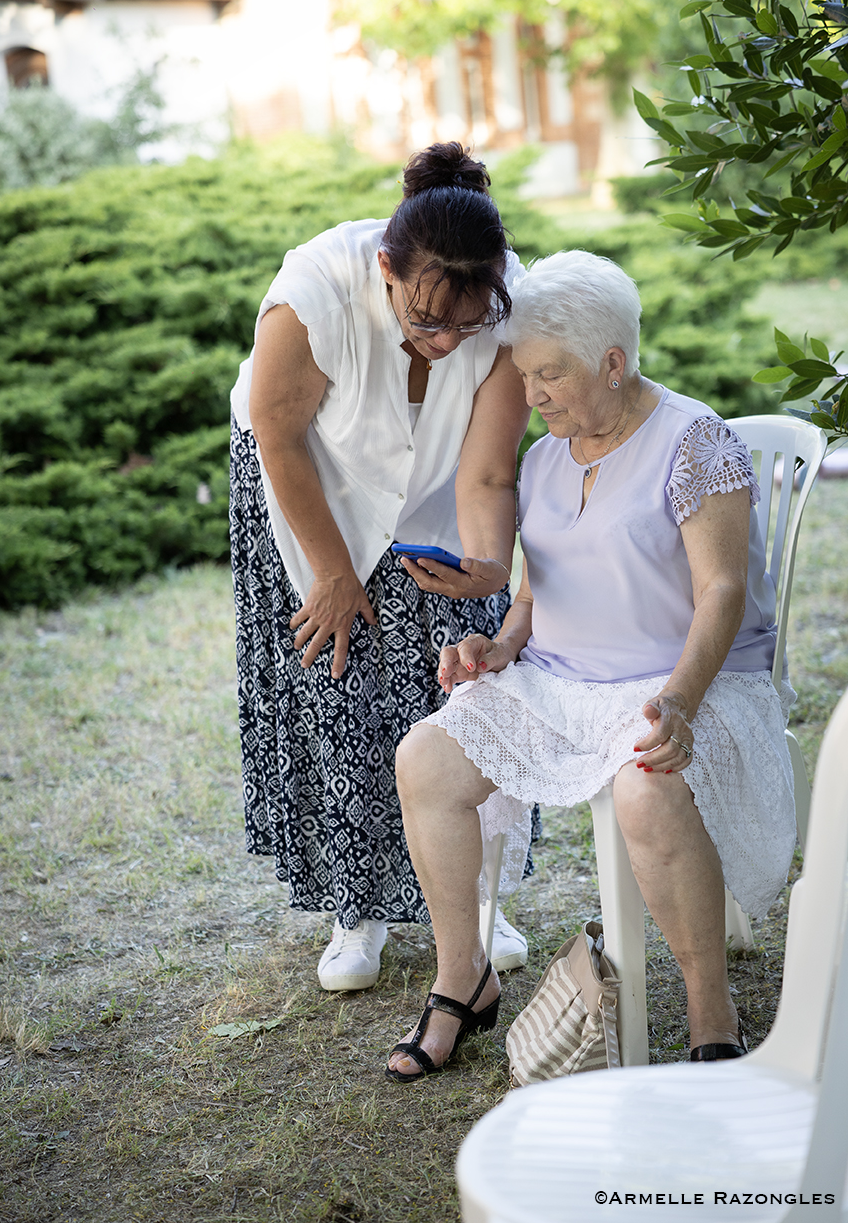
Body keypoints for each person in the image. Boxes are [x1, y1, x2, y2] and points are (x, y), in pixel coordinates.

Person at [386, 249, 797, 1080]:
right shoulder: (544, 460)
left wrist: (679, 700)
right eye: (524, 374)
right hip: (562, 683)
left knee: (645, 782)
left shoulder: (695, 441)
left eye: (549, 375)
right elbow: (534, 600)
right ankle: (462, 979)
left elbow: (720, 593)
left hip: (689, 681)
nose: (530, 395)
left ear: (613, 363)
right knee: (424, 758)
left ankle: (711, 1015)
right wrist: (495, 648)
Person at [229, 142, 533, 992]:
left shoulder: (507, 305)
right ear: (386, 268)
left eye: (466, 324)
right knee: (341, 674)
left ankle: (478, 900)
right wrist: (332, 570)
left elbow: (489, 467)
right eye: (425, 319)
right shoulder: (314, 289)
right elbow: (279, 436)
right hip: (307, 482)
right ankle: (353, 910)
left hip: (440, 491)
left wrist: (487, 561)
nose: (446, 341)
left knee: (463, 694)